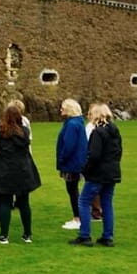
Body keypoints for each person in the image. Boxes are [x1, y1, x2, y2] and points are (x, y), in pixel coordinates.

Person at [70, 103, 123, 247]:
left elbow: (94, 155)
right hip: (112, 172)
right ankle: (107, 236)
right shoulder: (114, 130)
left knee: (83, 201)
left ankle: (85, 235)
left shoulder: (98, 132)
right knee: (107, 203)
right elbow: (119, 151)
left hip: (98, 173)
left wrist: (86, 170)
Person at [0, 106, 41, 244]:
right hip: (23, 169)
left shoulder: (2, 132)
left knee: (5, 202)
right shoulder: (23, 131)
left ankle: (4, 235)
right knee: (24, 202)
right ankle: (27, 234)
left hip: (6, 169)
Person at [56, 98, 88, 230]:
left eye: (63, 108)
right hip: (76, 162)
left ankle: (78, 218)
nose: (60, 110)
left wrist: (62, 159)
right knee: (73, 191)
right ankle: (79, 217)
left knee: (73, 191)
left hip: (72, 164)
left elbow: (69, 145)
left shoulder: (72, 125)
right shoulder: (77, 123)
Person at [85, 104, 103, 221]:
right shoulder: (105, 127)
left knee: (93, 188)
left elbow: (87, 144)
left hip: (94, 161)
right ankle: (101, 211)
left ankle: (96, 212)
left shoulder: (90, 127)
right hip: (104, 162)